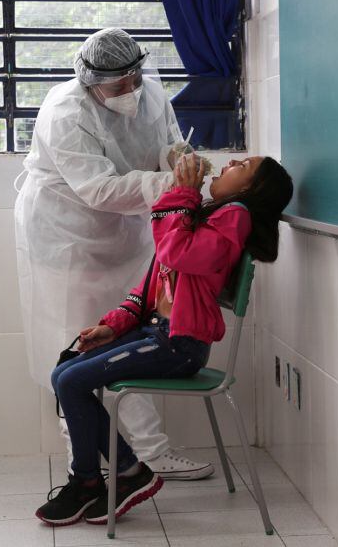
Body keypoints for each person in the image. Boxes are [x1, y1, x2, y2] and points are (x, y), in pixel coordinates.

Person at [35, 153, 295, 526]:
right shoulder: (205, 215)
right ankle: (112, 475)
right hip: (155, 332)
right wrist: (114, 324)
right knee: (64, 373)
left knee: (73, 382)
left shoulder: (235, 216)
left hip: (179, 346)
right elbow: (153, 281)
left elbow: (178, 252)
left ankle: (101, 478)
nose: (233, 160)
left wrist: (183, 193)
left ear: (251, 189)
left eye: (244, 165)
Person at [14, 28, 214, 481]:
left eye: (134, 79)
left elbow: (164, 141)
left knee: (129, 342)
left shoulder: (152, 95)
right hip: (68, 236)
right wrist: (173, 184)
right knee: (75, 346)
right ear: (89, 80)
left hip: (125, 229)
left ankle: (152, 452)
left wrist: (177, 157)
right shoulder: (66, 111)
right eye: (117, 85)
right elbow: (98, 188)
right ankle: (82, 461)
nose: (129, 91)